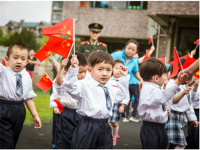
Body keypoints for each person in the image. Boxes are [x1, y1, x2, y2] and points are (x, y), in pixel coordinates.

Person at [54, 50, 130, 148]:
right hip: (87, 125)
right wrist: (73, 69)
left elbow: (121, 95)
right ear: (90, 70)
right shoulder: (84, 85)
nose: (104, 73)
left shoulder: (110, 87)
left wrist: (124, 77)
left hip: (105, 125)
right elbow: (70, 87)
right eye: (100, 69)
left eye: (108, 70)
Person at [0, 43, 42, 149]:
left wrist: (35, 115)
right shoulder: (3, 72)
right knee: (6, 144)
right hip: (3, 109)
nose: (19, 61)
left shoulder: (26, 76)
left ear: (27, 61)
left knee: (12, 142)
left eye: (23, 59)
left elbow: (28, 97)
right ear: (7, 59)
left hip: (19, 110)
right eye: (15, 57)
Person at [138, 57, 186, 149]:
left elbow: (157, 101)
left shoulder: (154, 88)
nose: (165, 78)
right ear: (156, 78)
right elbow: (161, 97)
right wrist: (178, 81)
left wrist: (164, 110)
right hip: (151, 129)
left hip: (159, 127)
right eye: (164, 75)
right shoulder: (148, 88)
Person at [112, 39, 155, 122]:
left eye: (133, 50)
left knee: (121, 106)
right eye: (129, 48)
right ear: (125, 47)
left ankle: (117, 124)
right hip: (112, 82)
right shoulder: (115, 55)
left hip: (123, 85)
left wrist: (141, 79)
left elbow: (136, 73)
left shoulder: (134, 62)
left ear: (136, 51)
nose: (130, 51)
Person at [54, 52, 88, 149]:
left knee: (82, 140)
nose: (83, 75)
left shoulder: (85, 82)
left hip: (82, 114)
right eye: (80, 72)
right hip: (68, 114)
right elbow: (59, 82)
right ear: (67, 72)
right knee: (67, 140)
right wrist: (61, 68)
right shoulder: (65, 80)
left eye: (85, 72)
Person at [165, 72, 198, 149]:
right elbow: (173, 101)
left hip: (180, 117)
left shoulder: (186, 86)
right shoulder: (172, 85)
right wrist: (183, 93)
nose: (191, 78)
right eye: (190, 76)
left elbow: (188, 105)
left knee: (173, 142)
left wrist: (193, 119)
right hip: (172, 116)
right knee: (171, 142)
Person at [107, 59, 129, 146]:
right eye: (116, 68)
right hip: (110, 104)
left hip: (118, 104)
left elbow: (126, 94)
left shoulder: (124, 80)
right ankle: (108, 136)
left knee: (115, 123)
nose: (118, 71)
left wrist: (123, 106)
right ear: (112, 69)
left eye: (120, 68)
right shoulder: (109, 80)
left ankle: (114, 136)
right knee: (108, 122)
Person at [185, 76, 199, 149]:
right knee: (192, 134)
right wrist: (196, 86)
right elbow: (192, 98)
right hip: (195, 111)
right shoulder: (192, 84)